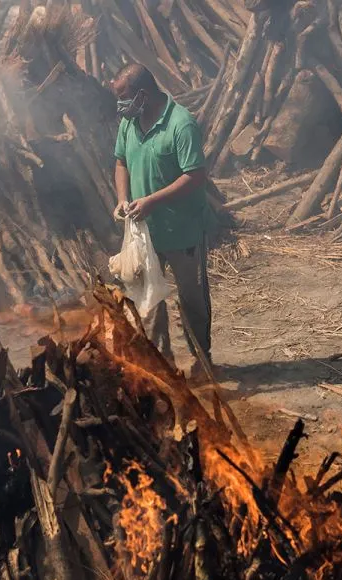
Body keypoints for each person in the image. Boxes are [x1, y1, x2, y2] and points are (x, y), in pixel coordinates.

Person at [111, 64, 214, 377]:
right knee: (147, 298)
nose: (120, 105)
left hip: (182, 231)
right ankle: (161, 363)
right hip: (146, 232)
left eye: (124, 97)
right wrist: (122, 198)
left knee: (191, 298)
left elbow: (195, 176)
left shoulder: (181, 124)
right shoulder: (129, 122)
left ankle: (202, 360)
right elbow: (121, 161)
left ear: (143, 94)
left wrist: (153, 201)